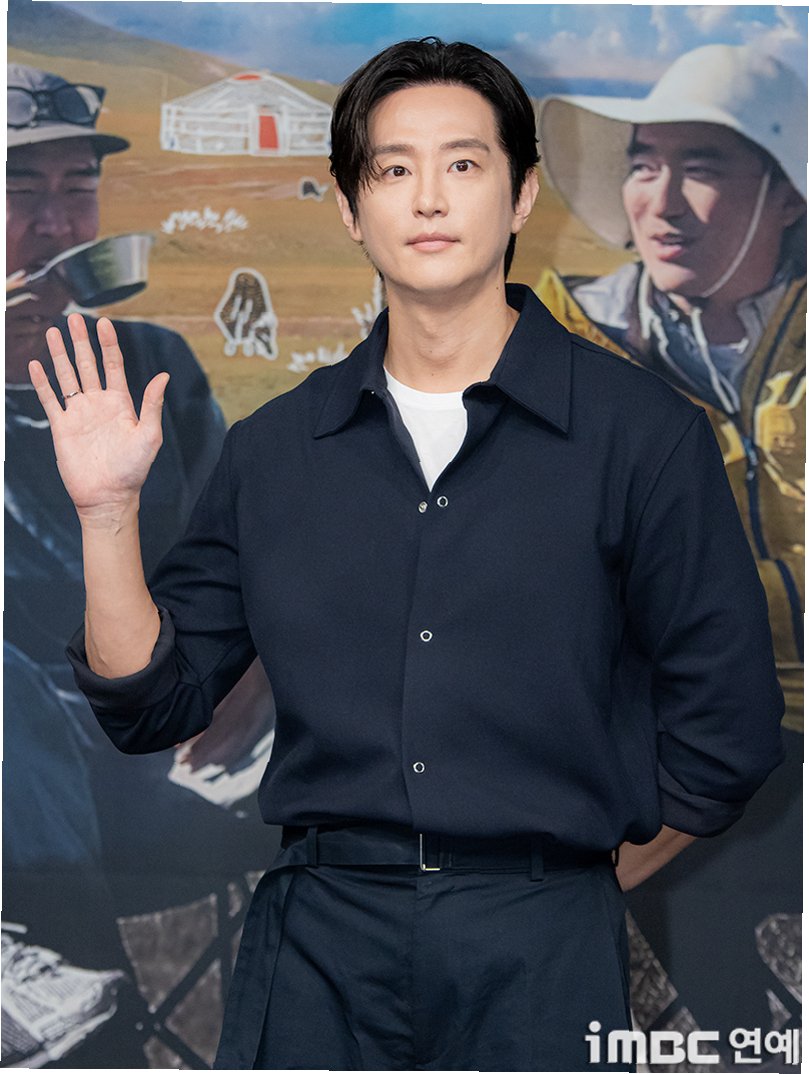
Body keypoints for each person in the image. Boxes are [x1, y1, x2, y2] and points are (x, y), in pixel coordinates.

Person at [31, 39, 784, 1071]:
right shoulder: (276, 450)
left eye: (463, 163)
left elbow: (723, 733)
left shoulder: (641, 436)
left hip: (542, 941)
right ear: (352, 207)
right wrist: (109, 510)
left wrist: (570, 882)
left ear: (521, 196)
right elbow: (149, 705)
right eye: (392, 168)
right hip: (317, 945)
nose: (428, 197)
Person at [534, 44, 804, 1046]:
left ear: (786, 195)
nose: (660, 200)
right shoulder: (565, 347)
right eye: (642, 163)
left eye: (701, 165)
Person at [5, 63, 270, 1066]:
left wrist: (257, 663)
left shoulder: (154, 366)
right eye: (19, 189)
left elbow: (244, 563)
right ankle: (80, 1026)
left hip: (174, 764)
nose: (55, 222)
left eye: (77, 189)